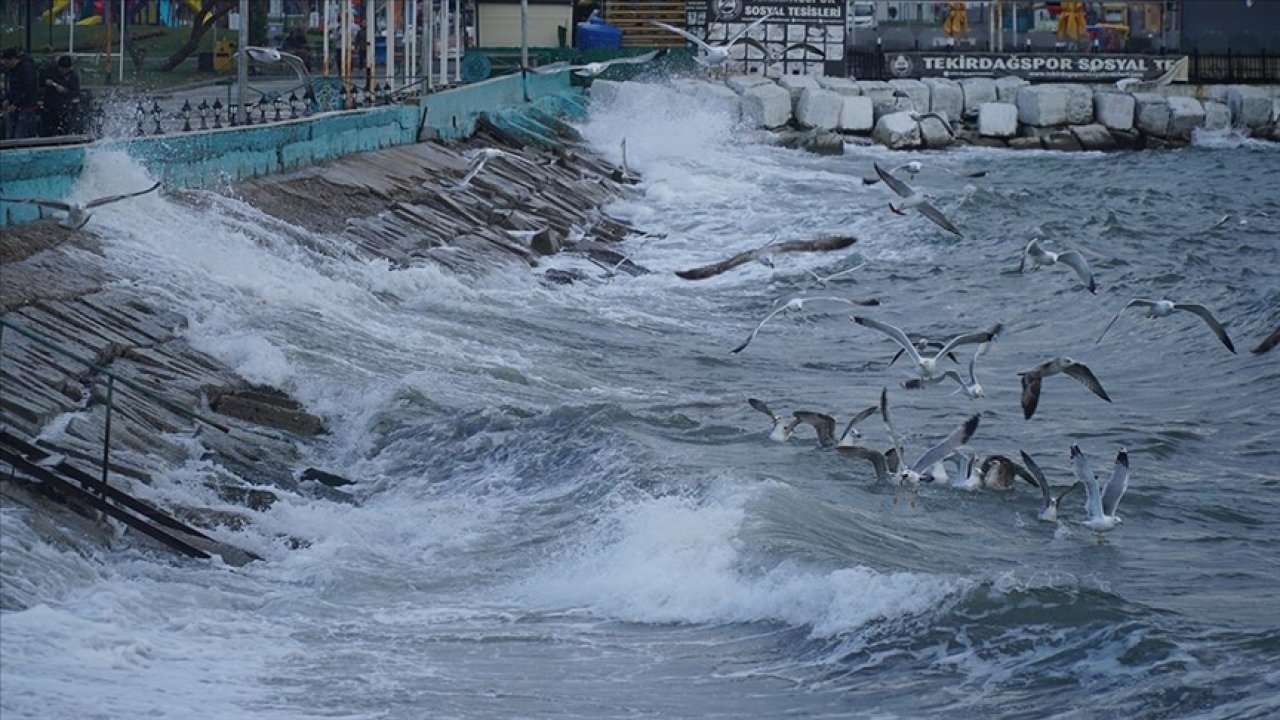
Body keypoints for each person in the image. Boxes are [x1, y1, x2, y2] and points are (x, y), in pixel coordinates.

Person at [2, 47, 41, 140]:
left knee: (20, 135)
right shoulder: (12, 70)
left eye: (6, 61)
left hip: (26, 107)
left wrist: (16, 103)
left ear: (12, 59)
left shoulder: (27, 69)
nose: (5, 64)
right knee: (10, 133)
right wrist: (7, 98)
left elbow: (28, 89)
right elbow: (12, 87)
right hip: (14, 106)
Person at [41, 55, 81, 136]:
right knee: (47, 131)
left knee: (63, 130)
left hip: (63, 108)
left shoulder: (73, 77)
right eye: (61, 68)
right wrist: (46, 82)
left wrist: (64, 91)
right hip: (49, 107)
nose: (63, 71)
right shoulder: (51, 71)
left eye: (66, 69)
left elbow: (75, 92)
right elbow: (40, 80)